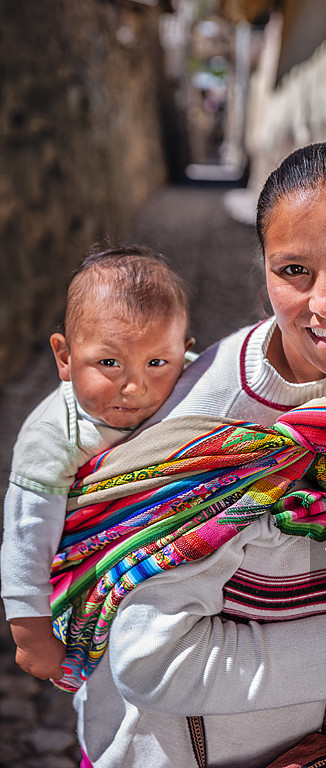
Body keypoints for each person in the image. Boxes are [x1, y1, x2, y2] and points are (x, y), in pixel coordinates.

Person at [68, 141, 326, 768]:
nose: (325, 303)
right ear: (266, 271)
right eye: (294, 270)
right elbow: (147, 661)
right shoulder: (207, 427)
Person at [1, 245, 195, 684]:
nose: (135, 387)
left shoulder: (192, 381)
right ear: (65, 358)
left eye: (157, 362)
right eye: (109, 363)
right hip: (89, 591)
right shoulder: (53, 436)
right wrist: (30, 633)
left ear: (184, 354)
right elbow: (26, 534)